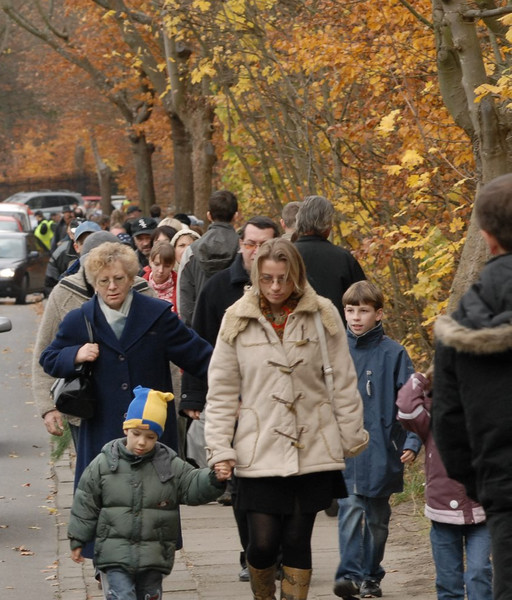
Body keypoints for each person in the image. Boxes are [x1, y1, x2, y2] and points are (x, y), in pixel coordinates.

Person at [204, 238, 369, 600]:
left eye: (283, 278)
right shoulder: (237, 317)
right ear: (256, 277)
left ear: (297, 275)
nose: (276, 287)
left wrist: (349, 434)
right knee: (262, 544)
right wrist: (219, 447)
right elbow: (220, 390)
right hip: (257, 445)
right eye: (267, 279)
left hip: (312, 442)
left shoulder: (323, 313)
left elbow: (342, 379)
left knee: (297, 539)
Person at [39, 241, 212, 561]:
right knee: (107, 505)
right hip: (103, 431)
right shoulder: (81, 320)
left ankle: (150, 576)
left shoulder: (156, 316)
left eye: (118, 278)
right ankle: (109, 570)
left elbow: (199, 355)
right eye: (103, 281)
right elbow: (48, 358)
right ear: (93, 282)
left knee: (152, 512)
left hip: (151, 433)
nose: (112, 287)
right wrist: (75, 354)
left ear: (132, 277)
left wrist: (236, 379)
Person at [179, 215, 279, 582]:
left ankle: (277, 551)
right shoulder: (219, 288)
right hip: (234, 403)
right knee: (241, 483)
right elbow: (197, 343)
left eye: (264, 245)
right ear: (241, 244)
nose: (256, 251)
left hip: (279, 405)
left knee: (280, 482)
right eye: (251, 244)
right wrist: (193, 393)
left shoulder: (295, 289)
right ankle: (251, 552)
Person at [69, 386, 229, 600]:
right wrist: (78, 539)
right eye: (136, 434)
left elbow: (192, 485)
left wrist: (213, 478)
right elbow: (85, 502)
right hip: (114, 553)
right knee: (121, 595)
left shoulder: (167, 464)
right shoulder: (105, 463)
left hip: (154, 554)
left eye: (150, 437)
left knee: (149, 596)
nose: (142, 442)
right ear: (126, 429)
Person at [433, 172, 512, 600]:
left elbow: (447, 418)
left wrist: (479, 481)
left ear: (486, 237)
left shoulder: (461, 321)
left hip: (501, 482)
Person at [334, 280, 419, 600]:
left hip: (384, 449)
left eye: (364, 311)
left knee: (377, 520)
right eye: (350, 310)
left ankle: (371, 574)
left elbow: (412, 403)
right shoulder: (334, 350)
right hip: (345, 449)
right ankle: (349, 575)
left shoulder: (394, 354)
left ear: (379, 314)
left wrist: (411, 441)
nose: (356, 317)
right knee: (350, 510)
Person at [33, 232, 155, 437]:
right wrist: (48, 406)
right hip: (84, 409)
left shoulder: (143, 292)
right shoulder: (64, 293)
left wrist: (173, 402)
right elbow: (45, 351)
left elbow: (167, 356)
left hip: (140, 411)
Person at [397, 369, 493, 600]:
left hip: (482, 511)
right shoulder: (431, 415)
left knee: (479, 573)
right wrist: (420, 376)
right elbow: (407, 410)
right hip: (442, 513)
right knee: (448, 583)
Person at [292, 195, 367, 322]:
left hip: (295, 334)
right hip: (338, 335)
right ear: (327, 226)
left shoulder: (285, 256)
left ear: (299, 221)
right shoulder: (344, 259)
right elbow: (366, 303)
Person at [178, 190, 241, 323]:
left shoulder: (191, 252)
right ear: (236, 216)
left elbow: (185, 302)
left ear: (209, 215)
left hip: (201, 331)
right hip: (238, 329)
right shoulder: (243, 251)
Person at [144, 241, 177, 312]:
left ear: (173, 265)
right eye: (157, 264)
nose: (161, 270)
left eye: (166, 266)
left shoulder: (181, 286)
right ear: (150, 261)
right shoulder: (139, 286)